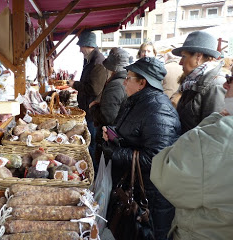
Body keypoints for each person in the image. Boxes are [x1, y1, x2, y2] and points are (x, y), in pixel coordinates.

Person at [103, 57, 181, 239]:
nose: (124, 81)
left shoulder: (159, 110)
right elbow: (133, 132)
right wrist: (114, 134)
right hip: (134, 188)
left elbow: (155, 157)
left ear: (142, 83)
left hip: (149, 196)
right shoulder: (138, 101)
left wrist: (115, 153)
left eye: (128, 77)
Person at [150, 74, 233, 240]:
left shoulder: (218, 135)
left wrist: (213, 120)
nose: (225, 85)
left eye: (230, 79)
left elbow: (164, 172)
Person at [172, 31, 226, 134]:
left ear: (198, 56)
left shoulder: (216, 85)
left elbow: (212, 133)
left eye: (183, 56)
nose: (180, 62)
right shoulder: (192, 82)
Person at [68, 31, 108, 165]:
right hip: (88, 108)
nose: (80, 50)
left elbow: (94, 89)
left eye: (81, 46)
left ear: (86, 45)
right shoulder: (91, 60)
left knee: (91, 142)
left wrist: (75, 85)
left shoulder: (98, 62)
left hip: (92, 110)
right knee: (89, 140)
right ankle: (89, 167)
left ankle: (92, 170)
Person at [89, 47, 128, 166]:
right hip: (115, 135)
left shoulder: (116, 85)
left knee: (101, 167)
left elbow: (108, 117)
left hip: (108, 136)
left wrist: (94, 108)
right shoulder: (121, 81)